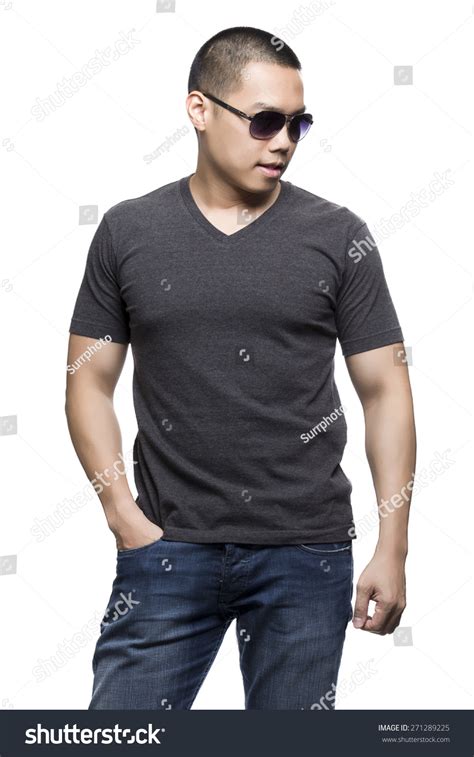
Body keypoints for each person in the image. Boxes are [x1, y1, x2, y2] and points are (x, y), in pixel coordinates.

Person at [65, 26, 415, 710]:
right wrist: (122, 514)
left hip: (305, 552)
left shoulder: (339, 237)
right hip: (168, 548)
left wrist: (392, 545)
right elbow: (87, 380)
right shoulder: (129, 232)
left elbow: (386, 390)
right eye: (263, 121)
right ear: (200, 110)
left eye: (297, 123)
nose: (282, 140)